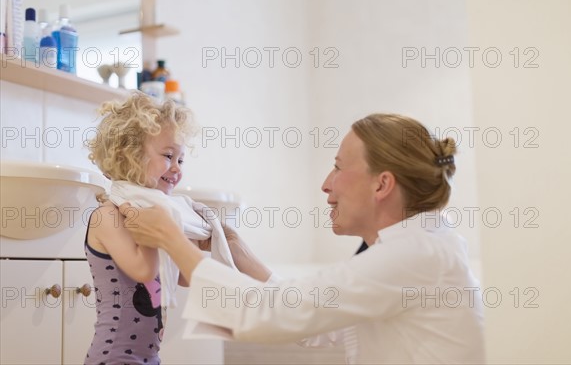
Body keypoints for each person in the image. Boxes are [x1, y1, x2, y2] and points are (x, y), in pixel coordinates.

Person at [119, 113, 486, 364]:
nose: (326, 184)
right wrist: (241, 255)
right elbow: (323, 323)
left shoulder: (414, 256)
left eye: (339, 167)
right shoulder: (424, 246)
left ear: (382, 184)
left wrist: (171, 239)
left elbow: (273, 314)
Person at [84, 93, 201, 364]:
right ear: (130, 155)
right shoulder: (108, 216)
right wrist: (157, 221)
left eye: (181, 160)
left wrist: (184, 231)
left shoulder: (158, 212)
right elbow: (144, 270)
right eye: (168, 156)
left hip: (150, 356)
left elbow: (185, 277)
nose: (176, 168)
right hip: (113, 355)